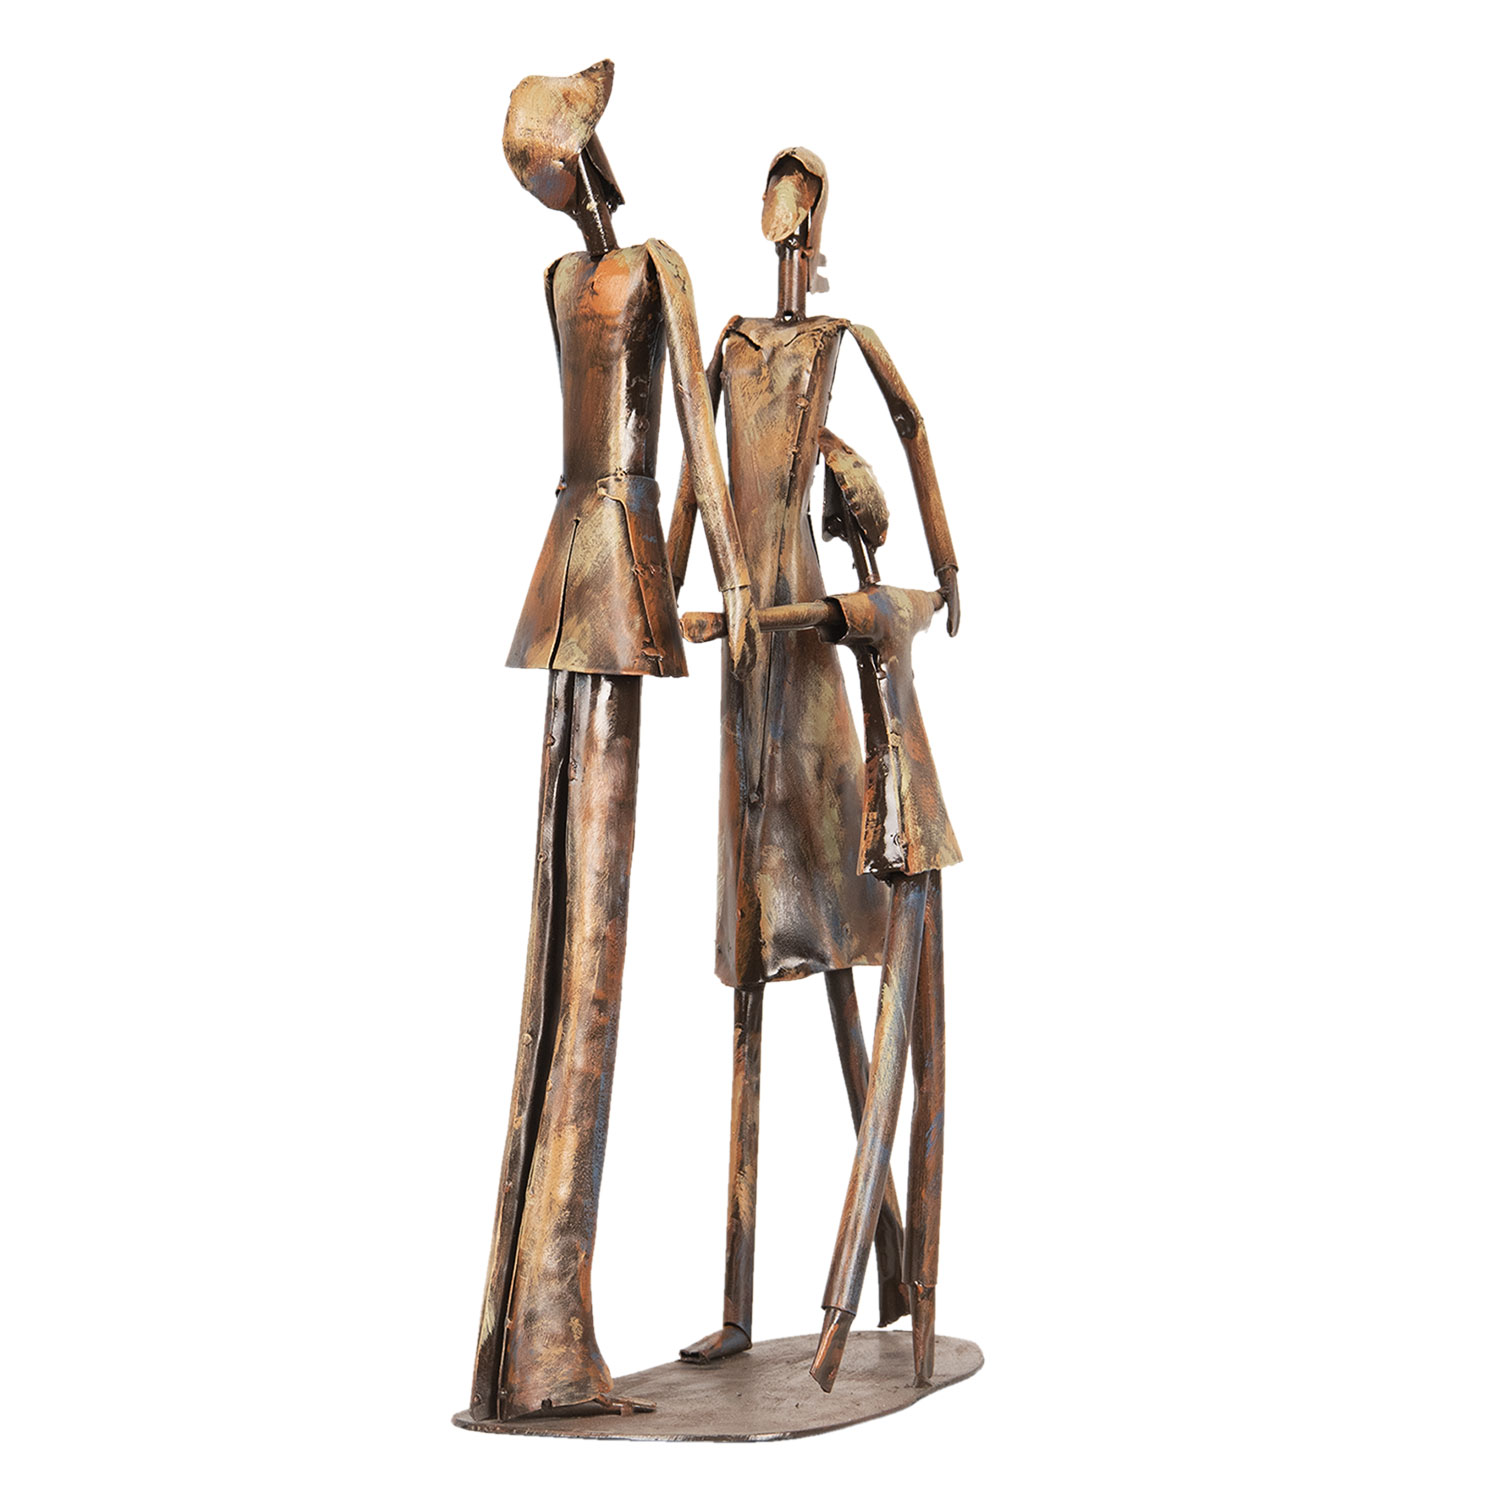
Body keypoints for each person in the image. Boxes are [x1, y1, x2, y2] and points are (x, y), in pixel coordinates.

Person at [465, 60, 756, 1423]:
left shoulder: (654, 270)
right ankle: (536, 1330)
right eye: (527, 177)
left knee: (595, 896)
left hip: (626, 556)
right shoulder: (554, 284)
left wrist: (707, 581)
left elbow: (696, 430)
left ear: (583, 156)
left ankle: (551, 1318)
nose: (544, 195)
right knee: (559, 888)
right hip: (574, 547)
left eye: (547, 168)